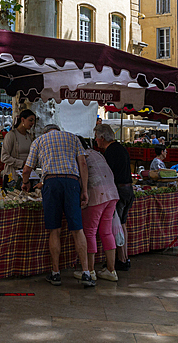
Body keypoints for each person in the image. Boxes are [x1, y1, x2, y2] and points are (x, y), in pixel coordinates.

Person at [20, 124, 95, 288]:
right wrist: (84, 189)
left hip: (51, 182)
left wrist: (25, 183)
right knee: (77, 229)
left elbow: (26, 169)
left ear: (46, 131)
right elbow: (83, 163)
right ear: (58, 131)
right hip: (72, 182)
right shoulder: (73, 138)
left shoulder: (39, 141)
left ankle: (55, 273)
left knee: (55, 229)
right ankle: (86, 272)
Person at [80, 140, 120, 282]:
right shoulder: (97, 154)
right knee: (106, 231)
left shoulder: (81, 155)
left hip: (96, 194)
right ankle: (111, 270)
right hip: (112, 193)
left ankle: (90, 270)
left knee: (89, 232)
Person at [95, 123, 133, 271]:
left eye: (97, 138)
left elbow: (106, 174)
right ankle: (124, 258)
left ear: (103, 138)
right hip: (128, 190)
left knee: (115, 226)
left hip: (119, 191)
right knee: (122, 224)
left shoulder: (110, 152)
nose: (96, 141)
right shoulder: (121, 148)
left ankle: (120, 259)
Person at [1, 110, 35, 189]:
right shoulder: (11, 135)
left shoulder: (30, 137)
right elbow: (4, 157)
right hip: (13, 175)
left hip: (27, 175)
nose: (32, 123)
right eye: (30, 120)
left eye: (33, 121)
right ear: (22, 120)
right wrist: (21, 163)